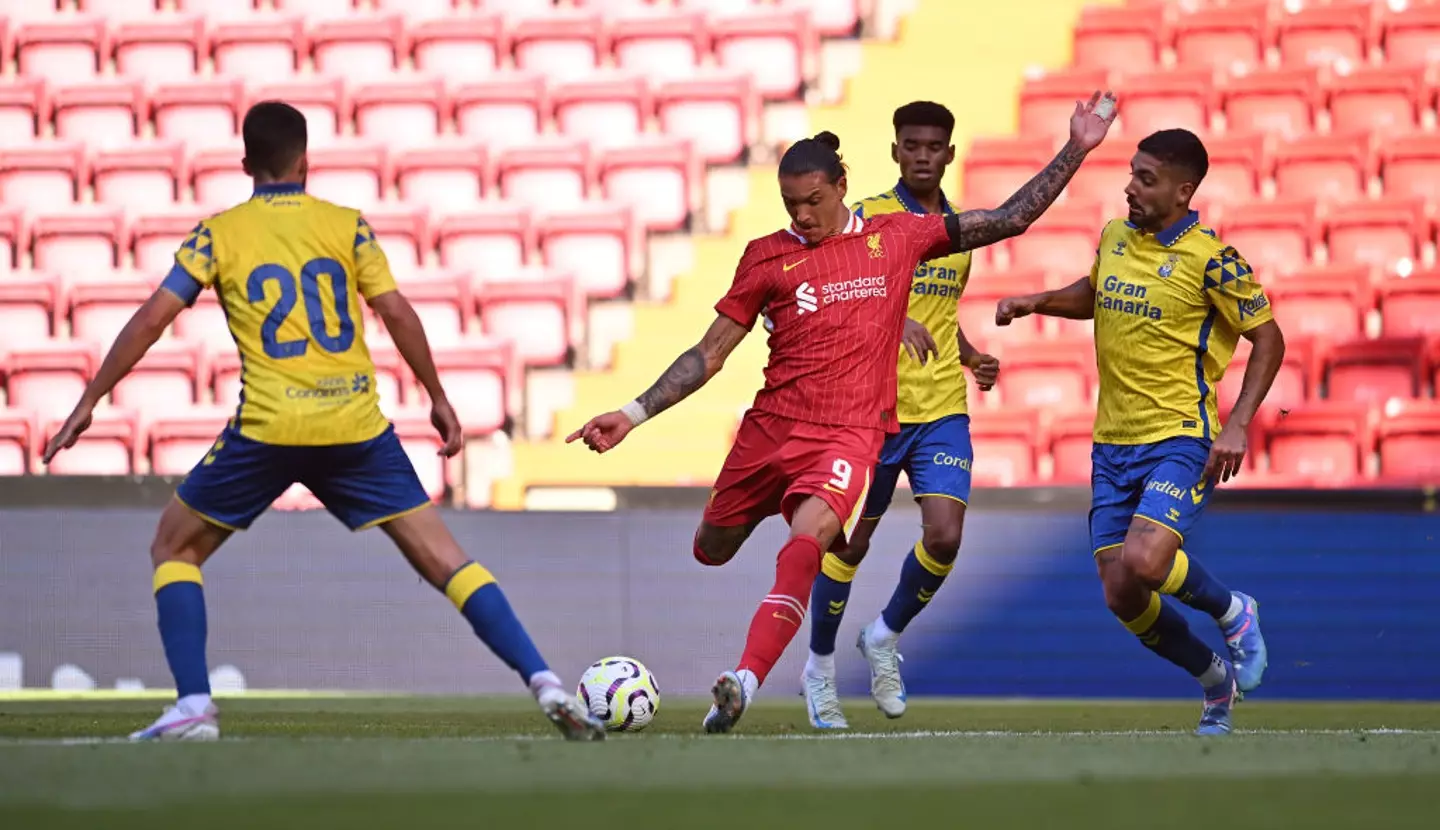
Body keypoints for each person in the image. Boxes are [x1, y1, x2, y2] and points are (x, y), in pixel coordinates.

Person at [42, 101, 604, 743]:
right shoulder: (348, 227)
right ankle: (546, 683)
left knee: (174, 547)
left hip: (270, 425)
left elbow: (151, 318)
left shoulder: (218, 233)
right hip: (356, 425)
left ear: (246, 163)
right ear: (306, 160)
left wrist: (89, 401)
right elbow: (396, 313)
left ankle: (194, 706)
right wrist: (438, 395)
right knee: (447, 560)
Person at [568, 91, 1118, 734]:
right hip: (769, 431)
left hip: (849, 437)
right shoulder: (765, 257)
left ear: (841, 187)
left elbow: (1009, 218)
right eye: (791, 205)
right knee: (710, 550)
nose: (802, 215)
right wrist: (632, 413)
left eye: (813, 201)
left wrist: (1076, 147)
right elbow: (708, 355)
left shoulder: (899, 237)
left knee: (811, 541)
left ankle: (745, 680)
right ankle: (768, 593)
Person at [994, 128, 1279, 736]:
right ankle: (1214, 683)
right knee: (1122, 594)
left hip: (1179, 436)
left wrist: (1237, 425)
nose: (1130, 186)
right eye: (1132, 173)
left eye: (1146, 179)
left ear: (1183, 191)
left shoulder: (1213, 260)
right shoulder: (1116, 237)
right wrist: (1036, 300)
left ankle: (1235, 612)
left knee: (1146, 561)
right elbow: (1096, 294)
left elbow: (1269, 338)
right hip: (1112, 444)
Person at [802, 101, 999, 729]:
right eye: (910, 144)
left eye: (933, 146)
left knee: (944, 535)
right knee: (849, 545)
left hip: (940, 407)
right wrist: (891, 316)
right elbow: (833, 293)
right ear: (894, 151)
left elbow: (940, 310)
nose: (921, 155)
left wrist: (970, 355)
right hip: (873, 409)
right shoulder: (869, 221)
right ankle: (820, 670)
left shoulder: (958, 233)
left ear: (948, 154)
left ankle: (884, 634)